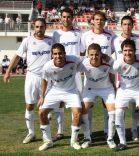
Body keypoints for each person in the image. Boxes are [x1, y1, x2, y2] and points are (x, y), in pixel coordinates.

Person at [4, 18, 52, 144]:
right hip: (31, 77)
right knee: (30, 105)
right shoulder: (27, 41)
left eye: (42, 27)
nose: (39, 29)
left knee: (45, 108)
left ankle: (46, 135)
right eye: (37, 27)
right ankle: (31, 133)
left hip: (47, 78)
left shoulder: (51, 41)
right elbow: (17, 56)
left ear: (45, 27)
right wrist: (8, 71)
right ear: (33, 27)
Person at [37, 43, 83, 151]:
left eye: (60, 53)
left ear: (64, 54)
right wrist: (42, 96)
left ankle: (73, 140)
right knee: (41, 112)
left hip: (71, 91)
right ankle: (48, 141)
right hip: (55, 91)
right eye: (55, 54)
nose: (58, 56)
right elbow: (44, 80)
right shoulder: (48, 66)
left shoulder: (74, 60)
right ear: (52, 55)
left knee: (77, 112)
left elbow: (85, 61)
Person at [51, 7, 84, 142]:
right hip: (60, 73)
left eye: (68, 17)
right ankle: (59, 132)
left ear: (73, 18)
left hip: (75, 73)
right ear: (60, 18)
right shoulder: (56, 34)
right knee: (59, 102)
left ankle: (75, 133)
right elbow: (52, 54)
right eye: (64, 17)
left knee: (75, 102)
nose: (66, 19)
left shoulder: (79, 33)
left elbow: (82, 52)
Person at [81, 11, 116, 138]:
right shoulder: (85, 35)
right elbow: (82, 53)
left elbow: (120, 45)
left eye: (101, 19)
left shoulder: (111, 35)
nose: (99, 22)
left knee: (106, 104)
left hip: (105, 73)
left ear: (104, 21)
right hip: (90, 75)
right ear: (93, 21)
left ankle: (108, 131)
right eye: (96, 19)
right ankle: (88, 133)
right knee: (88, 106)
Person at [113, 39, 139, 152]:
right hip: (124, 90)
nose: (128, 53)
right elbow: (111, 74)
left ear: (135, 51)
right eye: (125, 50)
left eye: (130, 50)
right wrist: (115, 87)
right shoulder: (117, 63)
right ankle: (122, 142)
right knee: (119, 113)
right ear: (122, 51)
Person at [113, 15, 139, 141]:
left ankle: (134, 131)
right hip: (121, 80)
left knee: (136, 108)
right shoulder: (115, 40)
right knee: (121, 108)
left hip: (138, 79)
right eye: (124, 24)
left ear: (133, 26)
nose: (127, 27)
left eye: (129, 24)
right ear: (121, 26)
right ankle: (121, 133)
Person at [78, 43, 116, 149]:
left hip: (106, 89)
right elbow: (72, 71)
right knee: (84, 110)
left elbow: (113, 76)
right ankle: (87, 138)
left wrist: (115, 89)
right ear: (88, 55)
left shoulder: (109, 62)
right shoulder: (84, 63)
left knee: (113, 112)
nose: (94, 57)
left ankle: (110, 138)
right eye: (91, 55)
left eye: (96, 54)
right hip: (89, 89)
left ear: (100, 54)